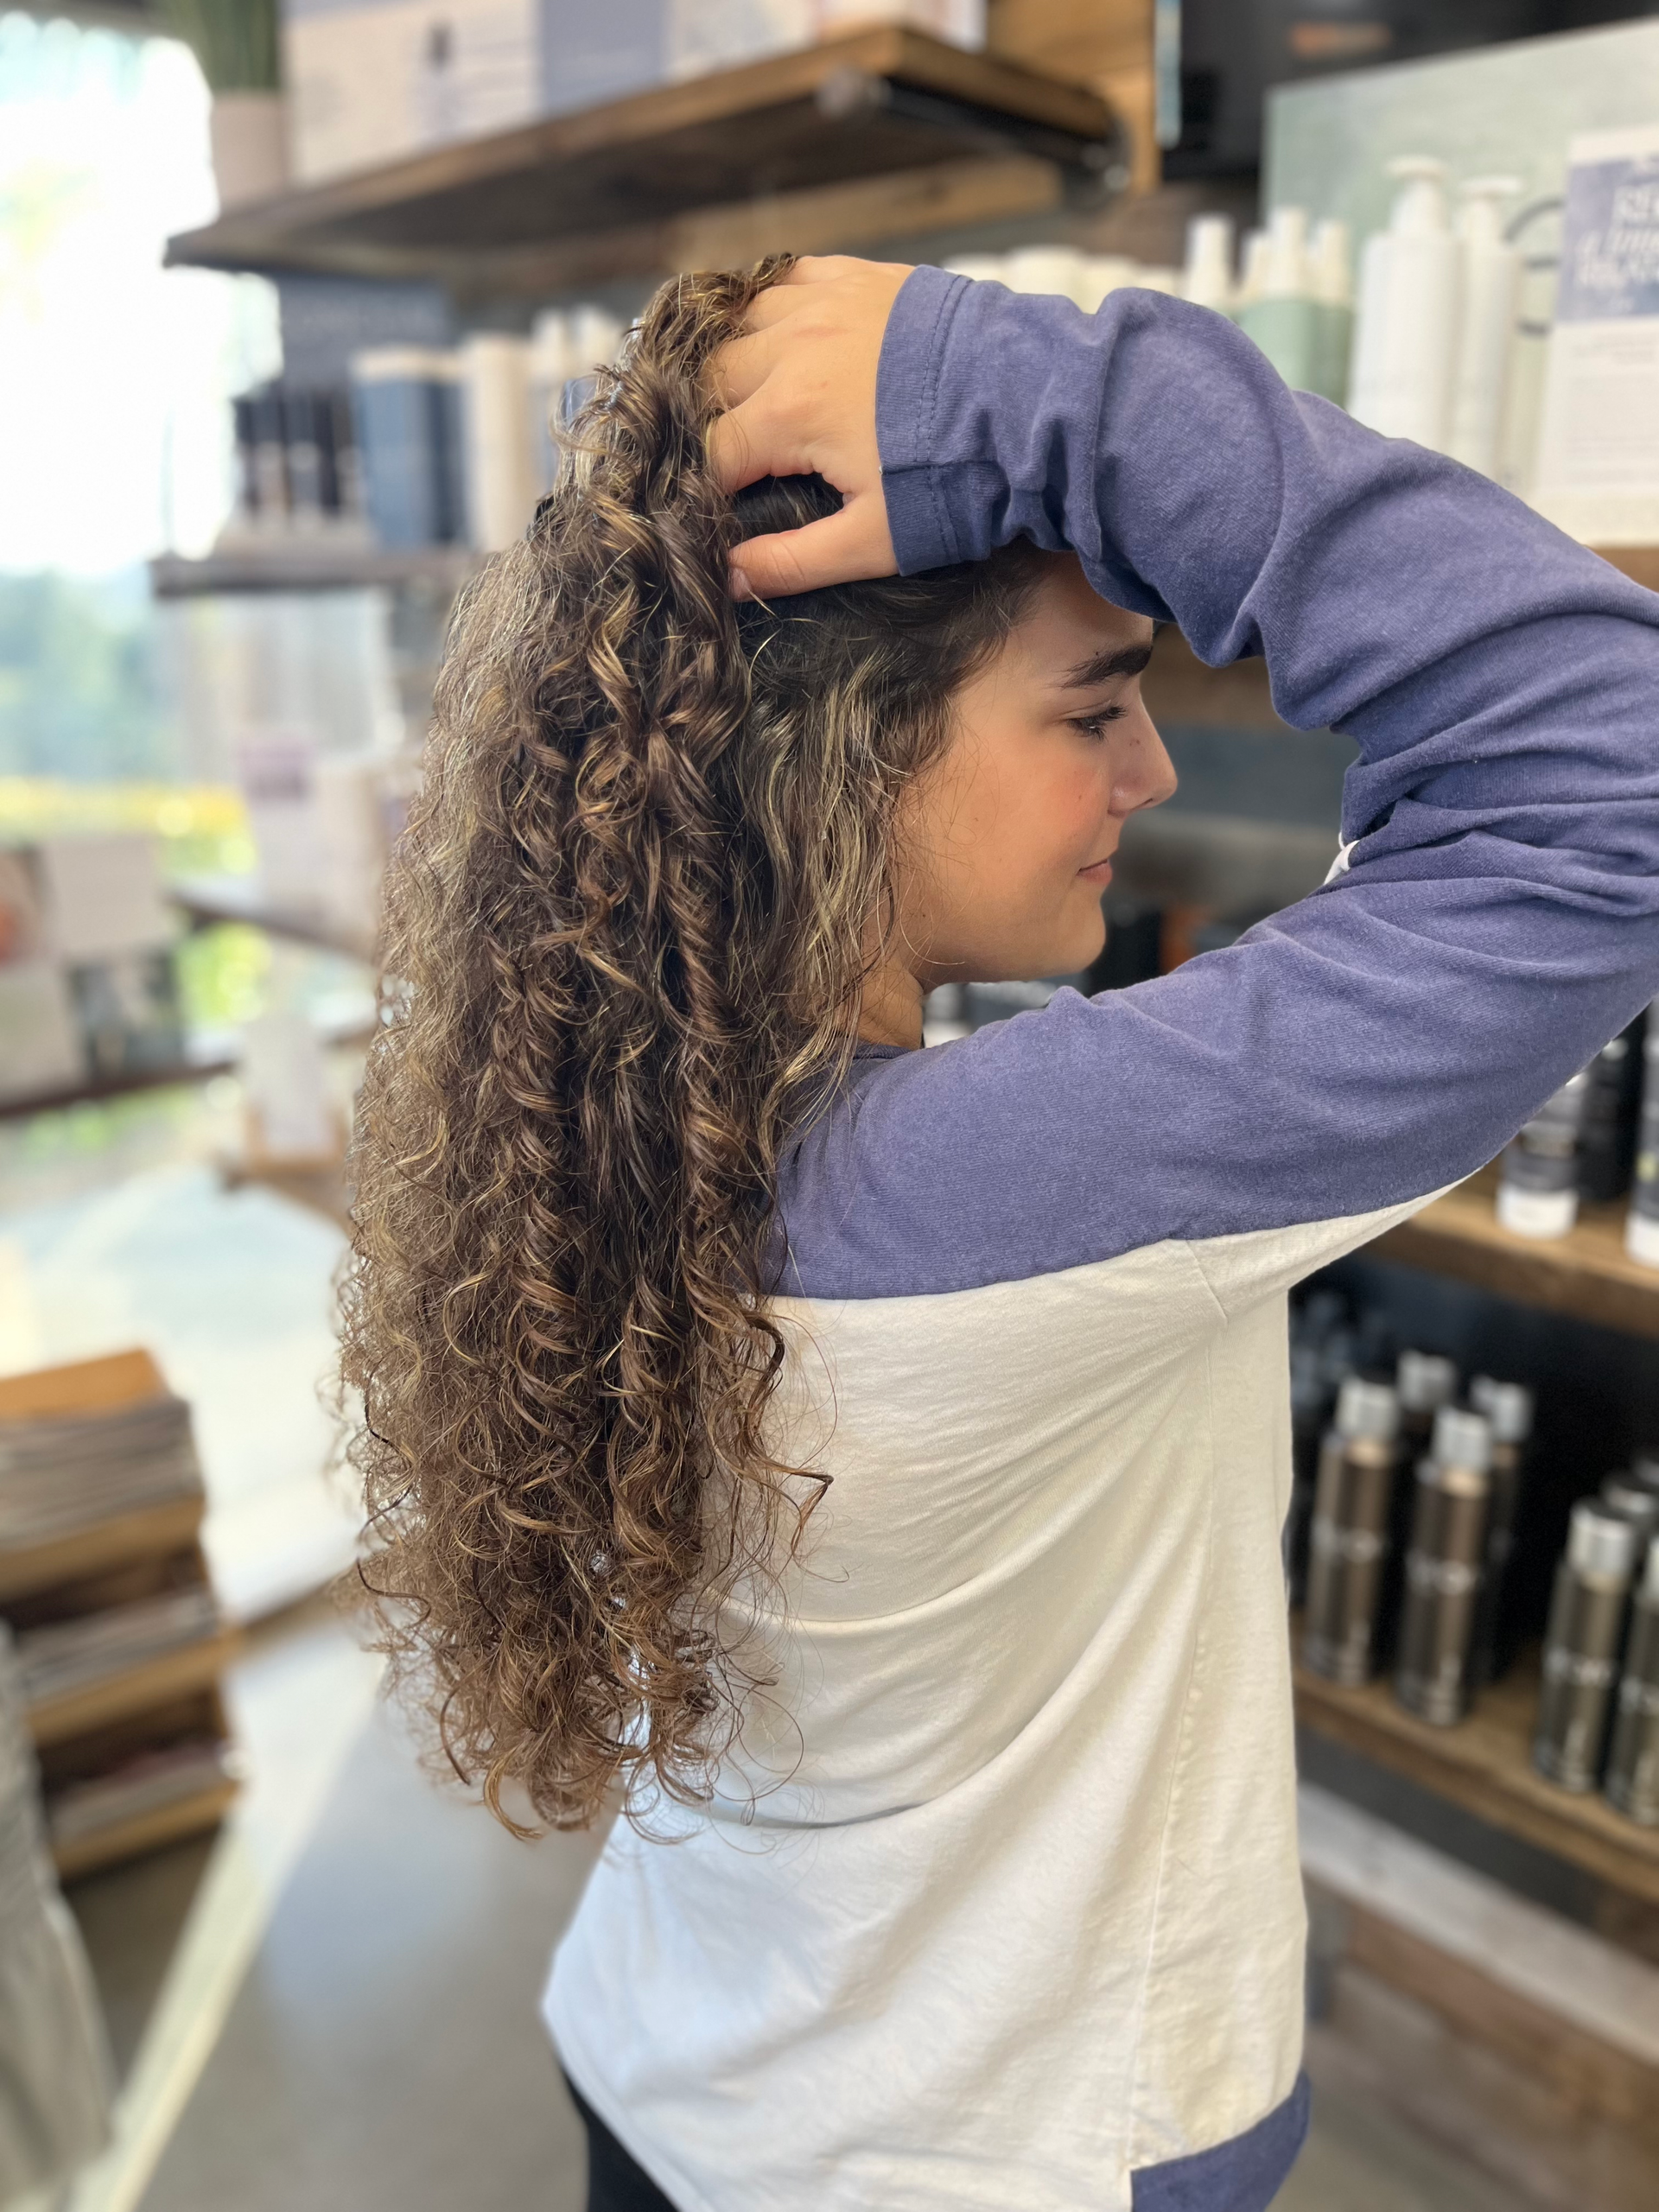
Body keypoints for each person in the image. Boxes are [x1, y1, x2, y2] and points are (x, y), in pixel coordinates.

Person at [340, 254, 1659, 2212]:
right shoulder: (1007, 1193)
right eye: (1098, 704)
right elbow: (1608, 779)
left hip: (671, 2061)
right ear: (848, 750)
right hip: (1001, 2153)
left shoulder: (595, 1114)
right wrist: (1054, 403)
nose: (1154, 771)